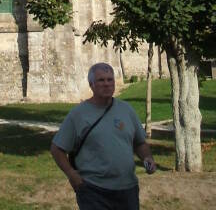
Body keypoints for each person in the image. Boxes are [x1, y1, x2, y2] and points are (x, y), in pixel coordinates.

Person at [50, 62, 156, 210]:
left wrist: (147, 158)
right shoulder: (78, 114)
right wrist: (71, 174)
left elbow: (139, 143)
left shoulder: (127, 110)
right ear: (91, 84)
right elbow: (57, 149)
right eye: (101, 80)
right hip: (93, 191)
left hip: (127, 189)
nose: (106, 84)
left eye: (110, 79)